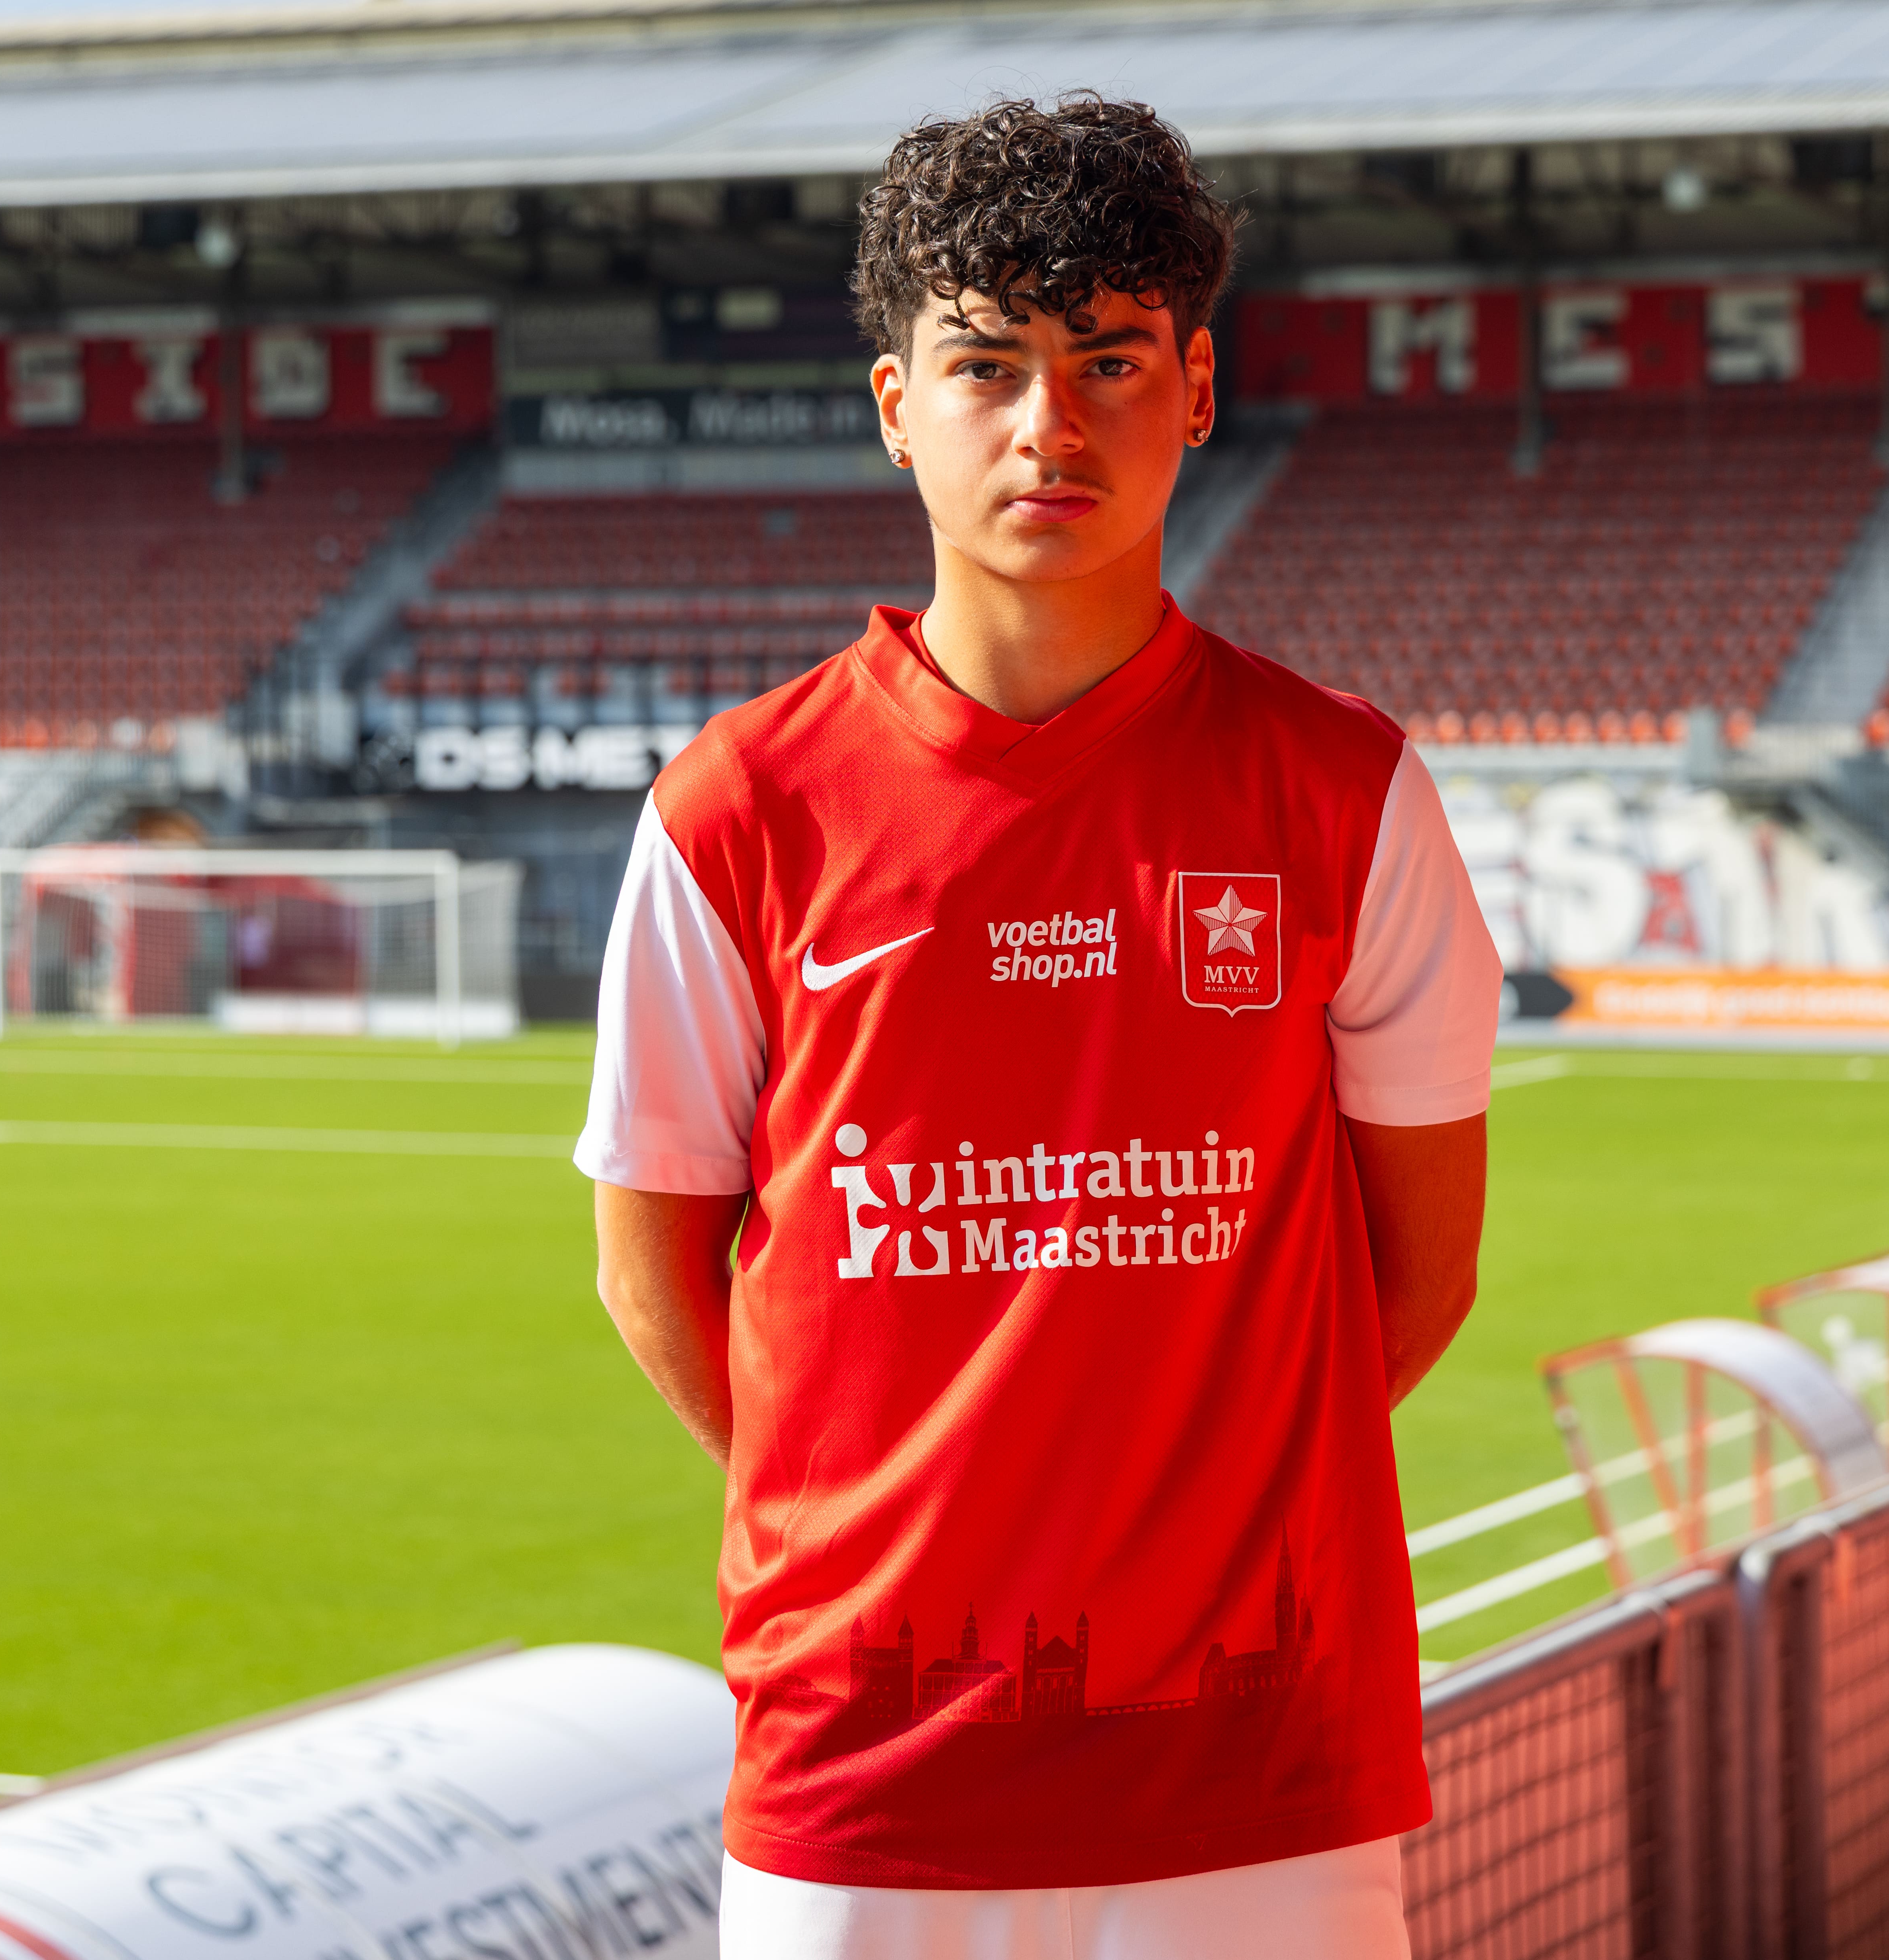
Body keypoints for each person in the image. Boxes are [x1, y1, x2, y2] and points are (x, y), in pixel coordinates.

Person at [573, 92, 1502, 1960]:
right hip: (866, 1762)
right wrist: (874, 1525)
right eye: (987, 366)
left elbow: (1422, 1276)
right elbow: (651, 1269)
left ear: (1199, 388)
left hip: (1258, 1759)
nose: (1049, 425)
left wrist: (1196, 1514)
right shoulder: (737, 811)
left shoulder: (1345, 791)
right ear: (897, 406)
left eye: (1108, 360)